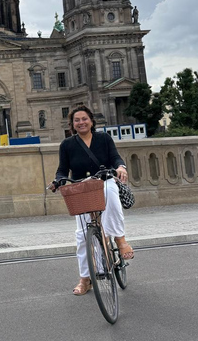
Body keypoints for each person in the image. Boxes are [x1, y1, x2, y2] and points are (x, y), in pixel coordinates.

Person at [49, 105, 134, 296]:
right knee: (81, 236)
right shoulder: (67, 145)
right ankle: (85, 279)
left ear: (91, 121)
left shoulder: (103, 138)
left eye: (84, 119)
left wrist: (120, 167)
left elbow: (115, 158)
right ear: (72, 124)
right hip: (82, 188)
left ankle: (120, 239)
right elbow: (62, 169)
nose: (81, 123)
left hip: (104, 181)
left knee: (110, 192)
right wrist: (57, 181)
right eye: (77, 120)